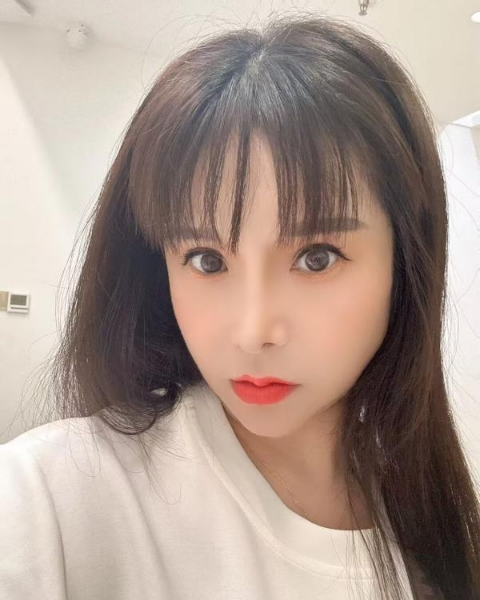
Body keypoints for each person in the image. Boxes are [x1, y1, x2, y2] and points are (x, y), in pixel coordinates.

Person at [1, 12, 479, 600]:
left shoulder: (423, 513)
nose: (253, 332)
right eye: (206, 260)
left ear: (404, 263)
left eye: (317, 257)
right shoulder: (50, 500)